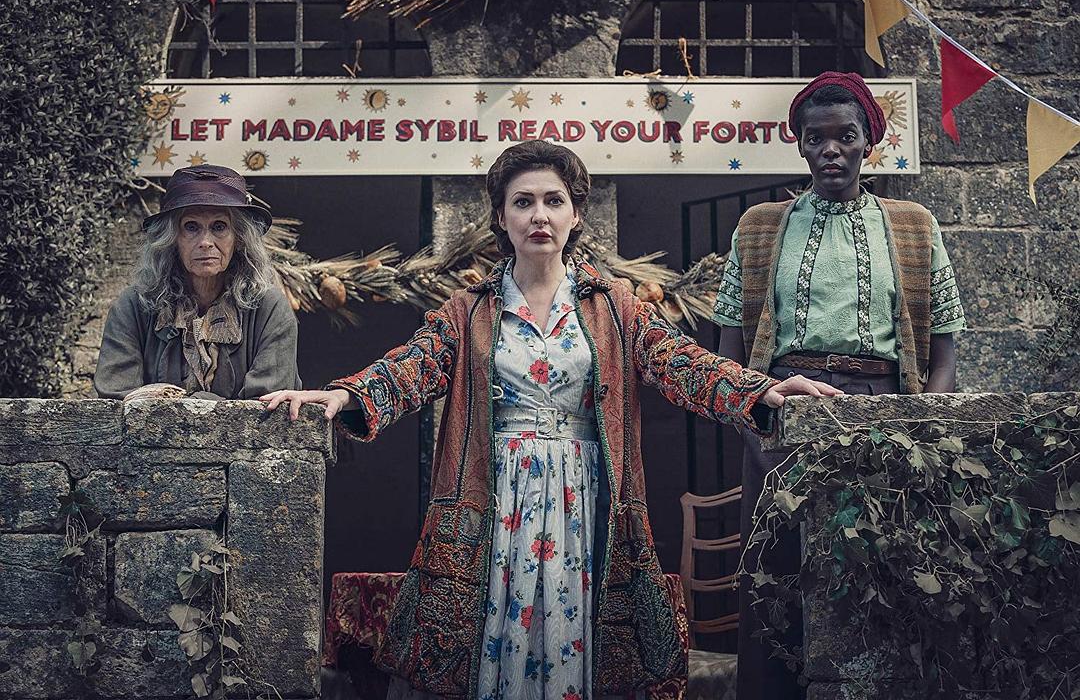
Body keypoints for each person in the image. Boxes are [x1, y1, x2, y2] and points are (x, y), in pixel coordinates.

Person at [264, 140, 840, 699]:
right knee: (490, 636)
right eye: (523, 202)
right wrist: (344, 396)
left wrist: (761, 389)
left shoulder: (615, 306)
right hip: (495, 494)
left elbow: (683, 364)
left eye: (553, 200)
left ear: (575, 214)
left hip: (584, 495)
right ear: (501, 217)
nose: (539, 215)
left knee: (577, 635)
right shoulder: (469, 310)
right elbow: (410, 368)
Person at [713, 71, 966, 700]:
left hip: (883, 412)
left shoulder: (913, 225)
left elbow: (944, 346)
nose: (831, 149)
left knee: (879, 565)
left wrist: (920, 425)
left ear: (868, 143)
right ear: (799, 144)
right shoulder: (758, 227)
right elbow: (730, 345)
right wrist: (752, 421)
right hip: (781, 412)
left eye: (845, 136)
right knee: (775, 568)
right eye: (816, 138)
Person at [94, 164, 301, 401]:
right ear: (172, 239)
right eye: (191, 227)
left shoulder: (269, 307)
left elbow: (268, 406)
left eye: (219, 227)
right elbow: (116, 398)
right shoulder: (134, 305)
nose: (205, 242)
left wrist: (182, 404)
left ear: (239, 238)